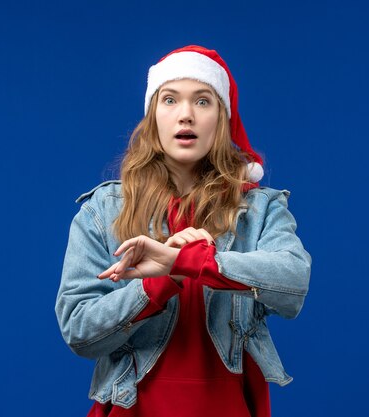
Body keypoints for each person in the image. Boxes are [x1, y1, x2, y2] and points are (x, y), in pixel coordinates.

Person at [55, 45, 312, 417]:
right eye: (171, 100)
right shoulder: (104, 210)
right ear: (153, 116)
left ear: (221, 118)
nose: (186, 115)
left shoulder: (260, 208)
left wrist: (193, 262)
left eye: (203, 101)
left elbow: (293, 283)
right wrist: (160, 280)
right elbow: (79, 330)